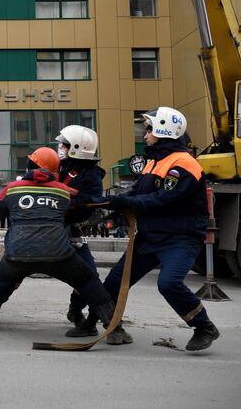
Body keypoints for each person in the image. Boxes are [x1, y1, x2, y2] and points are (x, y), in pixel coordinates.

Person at [68, 107, 220, 351]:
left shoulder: (184, 164)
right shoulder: (154, 161)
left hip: (179, 239)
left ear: (163, 130)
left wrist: (124, 202)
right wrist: (99, 203)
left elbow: (163, 200)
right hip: (149, 237)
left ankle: (204, 327)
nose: (145, 134)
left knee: (169, 284)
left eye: (149, 129)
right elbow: (136, 194)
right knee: (114, 282)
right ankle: (91, 323)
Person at [0, 147, 116, 334]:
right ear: (55, 171)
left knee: (2, 280)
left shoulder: (12, 189)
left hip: (19, 253)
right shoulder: (63, 191)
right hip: (58, 254)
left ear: (30, 166)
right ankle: (114, 327)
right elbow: (85, 206)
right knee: (87, 279)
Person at [55, 125, 106, 330]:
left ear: (74, 148)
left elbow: (87, 206)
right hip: (42, 229)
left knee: (89, 274)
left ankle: (76, 309)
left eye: (63, 145)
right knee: (12, 269)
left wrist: (66, 201)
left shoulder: (90, 176)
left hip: (69, 230)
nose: (59, 147)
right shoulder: (55, 166)